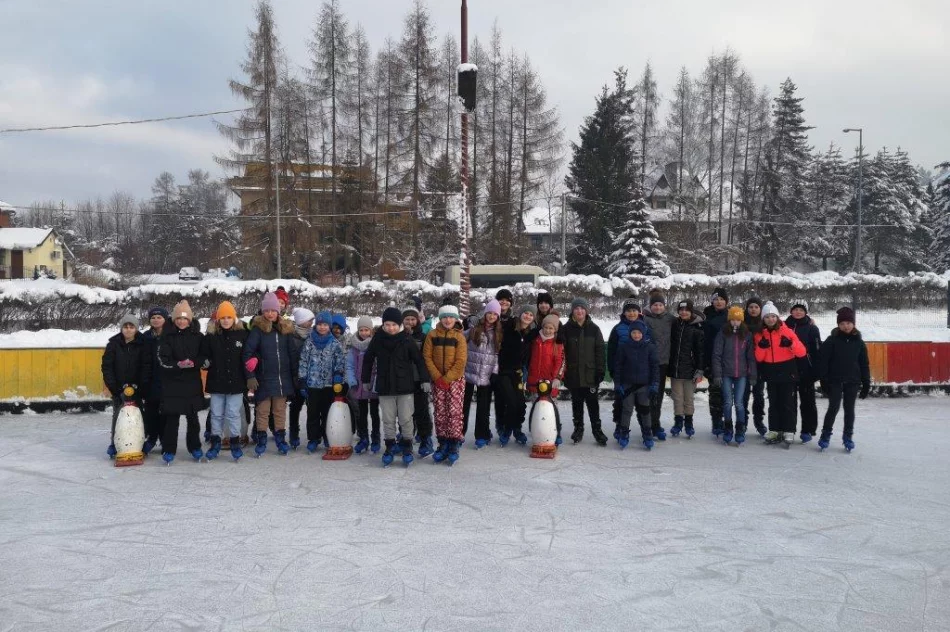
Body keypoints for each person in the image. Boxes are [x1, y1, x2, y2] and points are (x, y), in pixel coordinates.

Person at [362, 307, 430, 467]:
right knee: (388, 419)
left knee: (406, 419)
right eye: (387, 324)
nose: (390, 328)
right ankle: (390, 447)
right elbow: (368, 359)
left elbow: (419, 360)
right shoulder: (378, 339)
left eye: (393, 324)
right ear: (383, 324)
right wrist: (366, 379)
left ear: (399, 324)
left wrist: (424, 379)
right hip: (385, 387)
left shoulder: (407, 339)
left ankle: (407, 447)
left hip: (405, 387)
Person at [244, 292, 298, 457]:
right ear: (263, 312)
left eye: (273, 310)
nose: (270, 313)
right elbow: (247, 353)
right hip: (264, 379)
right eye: (267, 310)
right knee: (262, 411)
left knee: (279, 411)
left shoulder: (286, 330)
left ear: (278, 311)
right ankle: (261, 440)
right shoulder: (258, 330)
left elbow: (292, 354)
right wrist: (250, 375)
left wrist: (295, 377)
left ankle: (281, 439)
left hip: (283, 379)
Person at [157, 300, 207, 464]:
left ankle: (195, 448)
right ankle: (169, 449)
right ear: (174, 320)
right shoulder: (166, 336)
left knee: (193, 419)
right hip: (172, 384)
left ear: (190, 320)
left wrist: (195, 363)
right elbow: (162, 360)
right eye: (178, 318)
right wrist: (177, 365)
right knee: (172, 420)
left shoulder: (198, 337)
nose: (181, 321)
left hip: (192, 384)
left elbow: (204, 356)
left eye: (185, 318)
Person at [815, 307, 870, 452]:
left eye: (848, 323)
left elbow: (864, 364)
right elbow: (823, 361)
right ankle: (825, 435)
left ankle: (848, 437)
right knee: (833, 407)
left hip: (853, 381)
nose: (846, 326)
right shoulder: (832, 340)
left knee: (849, 409)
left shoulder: (859, 342)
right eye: (842, 323)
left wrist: (866, 383)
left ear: (853, 324)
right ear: (838, 325)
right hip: (835, 380)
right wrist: (824, 380)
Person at [201, 301, 249, 461]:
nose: (226, 320)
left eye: (229, 317)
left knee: (233, 414)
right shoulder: (211, 336)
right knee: (216, 414)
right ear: (218, 319)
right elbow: (204, 355)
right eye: (223, 317)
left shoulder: (242, 335)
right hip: (217, 382)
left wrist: (254, 361)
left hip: (236, 382)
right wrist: (205, 362)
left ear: (234, 318)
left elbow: (249, 354)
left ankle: (235, 442)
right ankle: (215, 443)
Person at [754, 301, 807, 445]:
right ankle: (775, 429)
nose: (770, 319)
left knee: (787, 402)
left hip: (787, 370)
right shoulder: (760, 334)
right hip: (770, 371)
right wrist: (761, 347)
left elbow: (802, 352)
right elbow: (759, 358)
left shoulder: (787, 331)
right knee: (773, 402)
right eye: (767, 317)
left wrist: (790, 344)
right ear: (763, 319)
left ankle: (789, 430)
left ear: (777, 317)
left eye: (773, 316)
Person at [101, 313, 152, 458]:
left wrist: (141, 386)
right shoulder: (113, 344)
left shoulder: (144, 344)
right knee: (117, 414)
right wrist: (115, 388)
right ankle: (114, 443)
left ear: (136, 328)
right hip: (119, 389)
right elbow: (107, 367)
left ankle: (140, 442)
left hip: (138, 389)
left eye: (131, 327)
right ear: (121, 328)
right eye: (125, 327)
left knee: (139, 415)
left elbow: (146, 366)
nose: (128, 330)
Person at [422, 304, 468, 464]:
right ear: (440, 318)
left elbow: (461, 361)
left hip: (455, 381)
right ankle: (443, 444)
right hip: (437, 380)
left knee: (454, 412)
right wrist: (437, 377)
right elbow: (427, 356)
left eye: (451, 317)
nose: (448, 320)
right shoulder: (432, 335)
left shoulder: (459, 337)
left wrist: (447, 378)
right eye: (445, 317)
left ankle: (454, 443)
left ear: (455, 319)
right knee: (440, 412)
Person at [560, 297, 607, 445]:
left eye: (582, 308)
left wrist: (600, 371)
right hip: (574, 375)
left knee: (593, 405)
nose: (579, 311)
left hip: (590, 375)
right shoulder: (566, 329)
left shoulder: (594, 329)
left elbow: (600, 352)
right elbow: (562, 353)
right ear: (572, 311)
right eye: (576, 308)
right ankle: (578, 429)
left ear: (586, 311)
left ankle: (597, 431)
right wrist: (564, 374)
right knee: (577, 404)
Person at [298, 311, 346, 453]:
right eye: (319, 324)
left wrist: (338, 376)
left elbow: (340, 361)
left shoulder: (334, 343)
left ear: (329, 326)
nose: (322, 327)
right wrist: (302, 380)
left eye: (325, 325)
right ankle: (313, 438)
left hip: (328, 385)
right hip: (312, 384)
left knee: (327, 413)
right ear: (316, 326)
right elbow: (303, 362)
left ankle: (327, 436)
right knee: (312, 413)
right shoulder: (309, 342)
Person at [711, 305, 757, 445]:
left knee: (739, 403)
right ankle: (728, 427)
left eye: (738, 319)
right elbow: (716, 355)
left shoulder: (747, 335)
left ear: (742, 320)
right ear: (729, 320)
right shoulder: (723, 333)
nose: (735, 322)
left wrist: (753, 374)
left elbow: (751, 357)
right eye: (733, 319)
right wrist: (717, 374)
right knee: (727, 402)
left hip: (741, 374)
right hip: (726, 373)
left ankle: (740, 428)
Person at [607, 298, 651, 439]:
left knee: (642, 404)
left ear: (639, 312)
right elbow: (611, 351)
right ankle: (620, 427)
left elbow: (652, 351)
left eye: (634, 310)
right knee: (622, 403)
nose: (631, 313)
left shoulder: (646, 328)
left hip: (642, 375)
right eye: (628, 311)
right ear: (624, 313)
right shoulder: (618, 329)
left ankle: (646, 429)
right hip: (623, 375)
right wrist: (613, 371)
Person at [613, 320, 660, 450]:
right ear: (630, 333)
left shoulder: (650, 347)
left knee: (645, 411)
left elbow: (655, 367)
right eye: (634, 332)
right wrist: (618, 384)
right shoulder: (624, 347)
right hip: (628, 385)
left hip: (644, 386)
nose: (636, 335)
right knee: (627, 410)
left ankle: (647, 433)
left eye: (639, 332)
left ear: (643, 333)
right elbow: (618, 367)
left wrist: (654, 384)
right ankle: (624, 432)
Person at [463, 299, 502, 447]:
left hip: (486, 375)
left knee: (483, 407)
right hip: (468, 372)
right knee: (463, 406)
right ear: (485, 314)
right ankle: (459, 433)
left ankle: (482, 434)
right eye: (489, 313)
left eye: (494, 314)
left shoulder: (498, 333)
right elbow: (460, 338)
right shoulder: (474, 329)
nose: (491, 316)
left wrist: (495, 372)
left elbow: (497, 355)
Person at [496, 305, 536, 445]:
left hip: (518, 373)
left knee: (520, 403)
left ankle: (517, 429)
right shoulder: (510, 326)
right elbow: (494, 322)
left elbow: (552, 327)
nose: (528, 317)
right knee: (511, 402)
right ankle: (507, 430)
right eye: (526, 313)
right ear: (521, 314)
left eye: (531, 315)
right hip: (504, 372)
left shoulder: (530, 333)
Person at [525, 314, 565, 444]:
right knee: (536, 407)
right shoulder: (535, 341)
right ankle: (535, 431)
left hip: (550, 383)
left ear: (555, 330)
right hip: (535, 382)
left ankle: (556, 431)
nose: (548, 330)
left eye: (551, 328)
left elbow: (561, 362)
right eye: (546, 327)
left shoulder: (557, 343)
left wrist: (557, 378)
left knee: (552, 409)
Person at [785, 301, 821, 443]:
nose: (798, 312)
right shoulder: (784, 326)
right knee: (789, 402)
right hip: (788, 369)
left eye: (801, 310)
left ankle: (808, 429)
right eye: (795, 309)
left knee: (808, 402)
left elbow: (817, 350)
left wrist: (816, 370)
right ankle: (789, 429)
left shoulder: (812, 328)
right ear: (791, 311)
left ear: (805, 312)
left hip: (806, 369)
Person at [667, 300, 704, 438]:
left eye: (687, 310)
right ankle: (678, 423)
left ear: (691, 311)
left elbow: (700, 352)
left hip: (690, 371)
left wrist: (699, 370)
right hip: (675, 370)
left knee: (688, 398)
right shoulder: (674, 325)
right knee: (677, 398)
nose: (684, 312)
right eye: (681, 310)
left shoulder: (697, 328)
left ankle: (689, 423)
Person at [643, 291, 676, 440]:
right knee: (650, 395)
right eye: (655, 305)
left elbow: (685, 320)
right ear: (651, 306)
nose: (657, 307)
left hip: (663, 363)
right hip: (649, 363)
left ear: (664, 306)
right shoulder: (645, 319)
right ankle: (648, 424)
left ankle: (655, 424)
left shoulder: (670, 319)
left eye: (660, 305)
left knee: (659, 395)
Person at [346, 316, 381, 454]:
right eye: (361, 330)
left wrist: (377, 382)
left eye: (366, 330)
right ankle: (363, 438)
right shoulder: (353, 347)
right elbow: (349, 365)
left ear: (371, 330)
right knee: (361, 413)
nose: (364, 332)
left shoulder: (376, 345)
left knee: (374, 413)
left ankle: (376, 438)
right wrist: (352, 381)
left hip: (372, 386)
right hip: (359, 386)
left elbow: (379, 365)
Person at [403, 304, 434, 456]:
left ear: (418, 321)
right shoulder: (400, 336)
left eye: (412, 319)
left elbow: (426, 360)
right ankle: (405, 437)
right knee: (404, 412)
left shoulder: (423, 337)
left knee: (422, 410)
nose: (410, 322)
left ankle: (425, 438)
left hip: (419, 380)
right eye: (407, 319)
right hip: (403, 380)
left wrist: (426, 379)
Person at [702, 287, 730, 436]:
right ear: (712, 301)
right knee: (715, 393)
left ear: (726, 301)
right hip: (712, 360)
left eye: (721, 299)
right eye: (716, 299)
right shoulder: (705, 316)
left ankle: (728, 421)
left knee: (727, 394)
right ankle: (717, 421)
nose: (718, 302)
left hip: (729, 361)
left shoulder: (732, 316)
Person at [141, 306, 168, 454]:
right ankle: (151, 439)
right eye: (153, 317)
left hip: (166, 381)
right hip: (150, 381)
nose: (156, 320)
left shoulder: (170, 336)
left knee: (165, 413)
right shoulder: (145, 337)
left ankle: (165, 440)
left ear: (165, 319)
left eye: (159, 317)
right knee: (151, 413)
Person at [287, 307, 314, 449]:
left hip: (311, 378)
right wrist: (294, 378)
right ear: (301, 321)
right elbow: (290, 359)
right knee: (296, 406)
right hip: (296, 377)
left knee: (312, 408)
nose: (311, 322)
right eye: (309, 320)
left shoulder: (313, 335)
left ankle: (312, 435)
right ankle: (293, 433)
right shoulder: (291, 337)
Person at [742, 297, 768, 436]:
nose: (753, 309)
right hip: (743, 365)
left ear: (760, 309)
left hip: (760, 365)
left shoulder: (764, 324)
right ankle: (743, 422)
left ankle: (759, 421)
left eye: (756, 307)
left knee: (759, 395)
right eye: (751, 307)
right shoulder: (741, 323)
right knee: (744, 395)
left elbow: (781, 327)